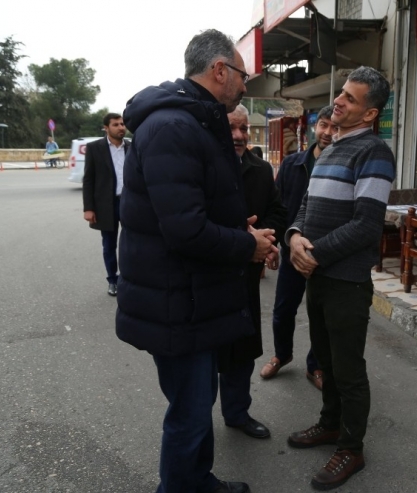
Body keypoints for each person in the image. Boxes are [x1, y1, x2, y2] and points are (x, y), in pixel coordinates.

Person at [116, 29, 276, 493]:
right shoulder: (175, 127)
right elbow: (185, 230)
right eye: (243, 75)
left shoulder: (193, 121)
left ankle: (197, 481)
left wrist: (236, 226)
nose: (246, 85)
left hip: (188, 296)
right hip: (177, 301)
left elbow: (193, 210)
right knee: (188, 411)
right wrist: (249, 246)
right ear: (219, 71)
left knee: (196, 402)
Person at [285, 67, 395, 491]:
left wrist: (315, 255)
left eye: (350, 98)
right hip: (318, 275)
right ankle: (329, 425)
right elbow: (305, 206)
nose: (339, 102)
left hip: (345, 281)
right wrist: (294, 237)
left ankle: (352, 448)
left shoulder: (374, 152)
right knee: (326, 360)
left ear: (369, 114)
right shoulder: (330, 147)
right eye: (341, 94)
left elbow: (367, 225)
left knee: (348, 369)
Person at [217, 104, 286, 440]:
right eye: (232, 127)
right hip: (207, 277)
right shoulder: (203, 165)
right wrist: (242, 236)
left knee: (242, 353)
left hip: (246, 277)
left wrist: (266, 239)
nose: (239, 136)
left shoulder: (259, 170)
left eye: (244, 129)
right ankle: (196, 424)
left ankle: (237, 413)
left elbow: (277, 210)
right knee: (206, 358)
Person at [261, 105, 337, 390]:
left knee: (322, 316)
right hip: (292, 251)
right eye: (324, 126)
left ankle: (315, 365)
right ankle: (282, 354)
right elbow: (278, 209)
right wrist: (273, 245)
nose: (328, 133)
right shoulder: (293, 165)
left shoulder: (345, 168)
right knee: (283, 311)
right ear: (315, 128)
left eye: (335, 127)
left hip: (325, 254)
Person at [82, 113, 129, 296]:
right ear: (106, 128)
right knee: (109, 245)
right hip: (106, 205)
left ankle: (130, 278)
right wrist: (89, 208)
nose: (121, 127)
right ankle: (113, 280)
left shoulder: (131, 147)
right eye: (116, 124)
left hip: (129, 203)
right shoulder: (95, 148)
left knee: (132, 243)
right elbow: (89, 179)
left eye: (122, 124)